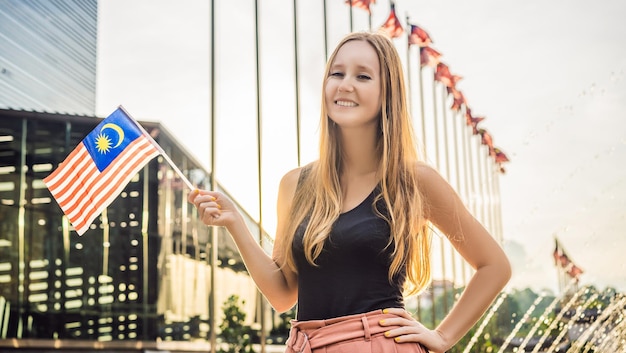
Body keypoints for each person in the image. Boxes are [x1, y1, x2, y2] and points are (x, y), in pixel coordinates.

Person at [189, 31, 511, 353]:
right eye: (337, 73)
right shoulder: (294, 184)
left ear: (388, 93)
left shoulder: (413, 180)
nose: (345, 84)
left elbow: (494, 266)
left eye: (363, 76)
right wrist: (235, 223)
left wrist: (442, 336)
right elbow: (283, 293)